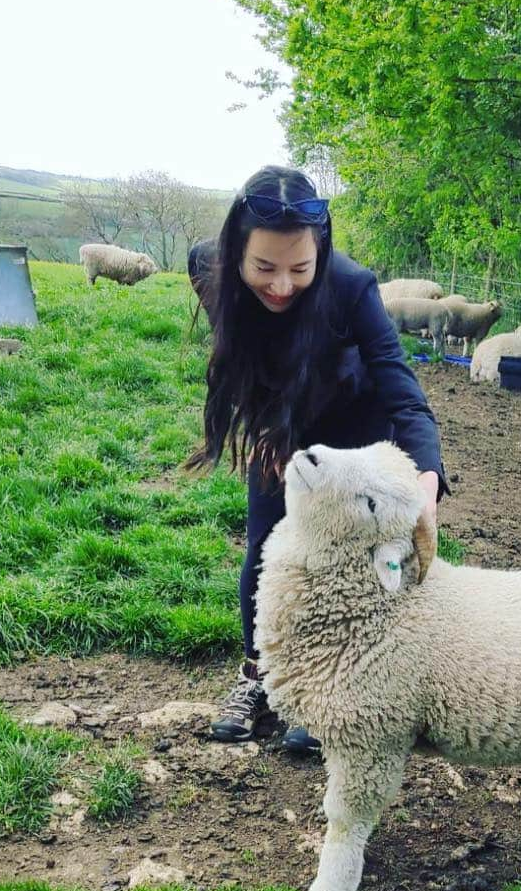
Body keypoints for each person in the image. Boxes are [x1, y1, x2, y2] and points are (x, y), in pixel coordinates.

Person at [187, 166, 447, 751]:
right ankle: (260, 677)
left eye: (299, 269)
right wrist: (265, 413)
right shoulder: (206, 264)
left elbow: (404, 392)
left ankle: (328, 691)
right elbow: (242, 337)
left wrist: (426, 486)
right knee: (265, 546)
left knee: (345, 560)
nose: (281, 286)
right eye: (264, 268)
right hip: (278, 427)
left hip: (351, 424)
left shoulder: (353, 287)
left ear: (321, 250)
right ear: (235, 251)